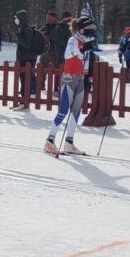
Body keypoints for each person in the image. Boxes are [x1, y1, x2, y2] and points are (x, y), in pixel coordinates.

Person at [44, 16, 97, 155]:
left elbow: (100, 54)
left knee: (76, 112)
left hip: (81, 78)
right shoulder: (73, 40)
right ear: (81, 29)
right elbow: (67, 55)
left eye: (93, 27)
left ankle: (69, 142)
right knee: (63, 111)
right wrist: (82, 50)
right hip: (69, 79)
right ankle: (49, 141)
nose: (93, 30)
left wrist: (122, 51)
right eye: (90, 27)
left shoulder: (89, 40)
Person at [11, 10, 42, 111]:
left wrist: (18, 36)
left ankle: (25, 103)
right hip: (23, 58)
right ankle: (22, 102)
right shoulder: (22, 29)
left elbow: (27, 44)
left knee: (25, 81)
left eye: (17, 18)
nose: (16, 20)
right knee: (23, 80)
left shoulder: (27, 30)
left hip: (28, 59)